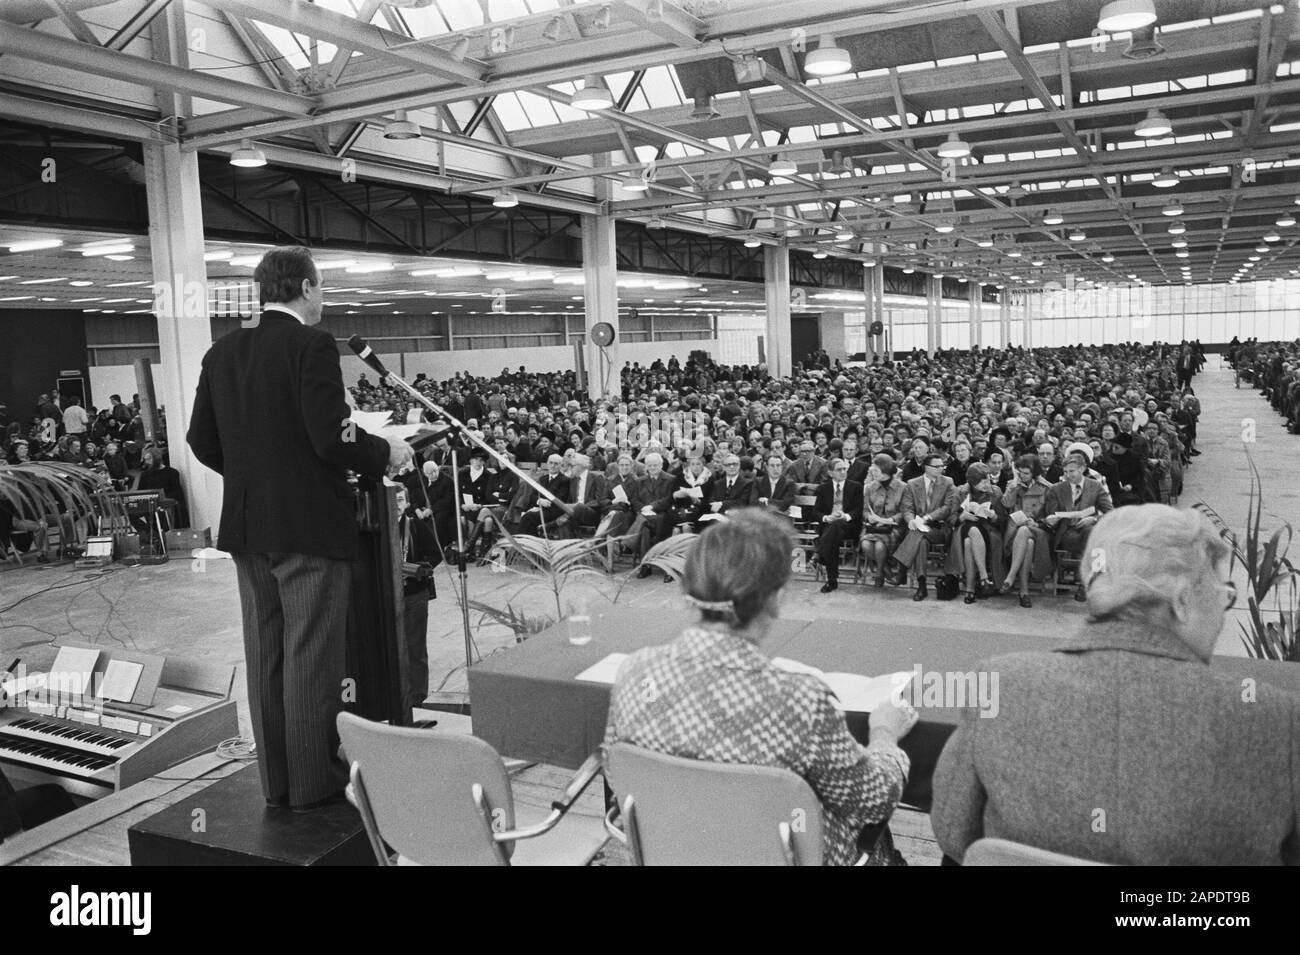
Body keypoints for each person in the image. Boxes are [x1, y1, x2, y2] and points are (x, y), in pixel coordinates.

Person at [932, 505, 1300, 865]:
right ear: (1183, 600)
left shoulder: (999, 684)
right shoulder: (1279, 721)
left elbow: (953, 833)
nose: (1222, 616)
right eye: (1225, 598)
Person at [187, 246, 413, 812]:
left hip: (247, 529)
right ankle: (315, 787)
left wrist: (254, 480)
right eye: (322, 288)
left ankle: (278, 783)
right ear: (307, 289)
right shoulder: (311, 344)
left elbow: (201, 441)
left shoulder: (223, 350)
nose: (323, 297)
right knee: (312, 655)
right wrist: (385, 450)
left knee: (266, 655)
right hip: (308, 529)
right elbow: (330, 437)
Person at [604, 509, 917, 865]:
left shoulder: (634, 671)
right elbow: (875, 800)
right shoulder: (801, 699)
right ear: (776, 597)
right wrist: (885, 734)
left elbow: (617, 772)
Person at [1043, 447, 1114, 602]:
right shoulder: (1056, 489)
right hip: (1067, 533)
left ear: (1082, 469)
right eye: (1065, 472)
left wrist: (1094, 518)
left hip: (1088, 530)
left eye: (1072, 471)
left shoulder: (1095, 486)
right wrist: (1051, 519)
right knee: (1097, 540)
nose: (1068, 475)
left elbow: (1110, 512)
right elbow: (1049, 514)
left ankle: (1087, 581)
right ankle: (1093, 581)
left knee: (1093, 533)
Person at [892, 453, 958, 601]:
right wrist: (910, 521)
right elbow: (907, 508)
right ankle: (922, 585)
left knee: (918, 534)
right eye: (936, 466)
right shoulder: (912, 484)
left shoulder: (948, 482)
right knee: (920, 541)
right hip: (919, 528)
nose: (940, 469)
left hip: (939, 527)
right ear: (926, 468)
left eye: (942, 466)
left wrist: (927, 517)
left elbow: (947, 508)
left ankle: (901, 570)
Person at [999, 455, 1054, 607]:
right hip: (1015, 532)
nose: (1023, 476)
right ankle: (1024, 591)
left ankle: (1010, 576)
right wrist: (1013, 487)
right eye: (1020, 472)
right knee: (1027, 542)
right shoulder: (1013, 484)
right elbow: (1006, 504)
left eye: (1026, 474)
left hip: (1038, 531)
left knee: (1026, 532)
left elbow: (1051, 515)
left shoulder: (1047, 488)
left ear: (1034, 474)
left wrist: (1037, 523)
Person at [809, 457, 863, 593]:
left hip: (849, 526)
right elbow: (815, 512)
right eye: (839, 470)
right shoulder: (823, 488)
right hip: (830, 525)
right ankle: (831, 579)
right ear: (830, 473)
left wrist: (845, 516)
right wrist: (826, 517)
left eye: (845, 469)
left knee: (833, 529)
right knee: (832, 532)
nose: (843, 472)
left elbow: (859, 509)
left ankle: (821, 560)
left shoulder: (855, 487)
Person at [860, 454, 905, 587]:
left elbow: (905, 511)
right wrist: (869, 517)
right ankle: (885, 569)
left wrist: (889, 520)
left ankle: (879, 572)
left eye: (875, 470)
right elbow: (864, 510)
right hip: (873, 527)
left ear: (885, 471)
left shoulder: (903, 487)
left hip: (894, 527)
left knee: (879, 545)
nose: (872, 472)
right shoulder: (869, 487)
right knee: (866, 544)